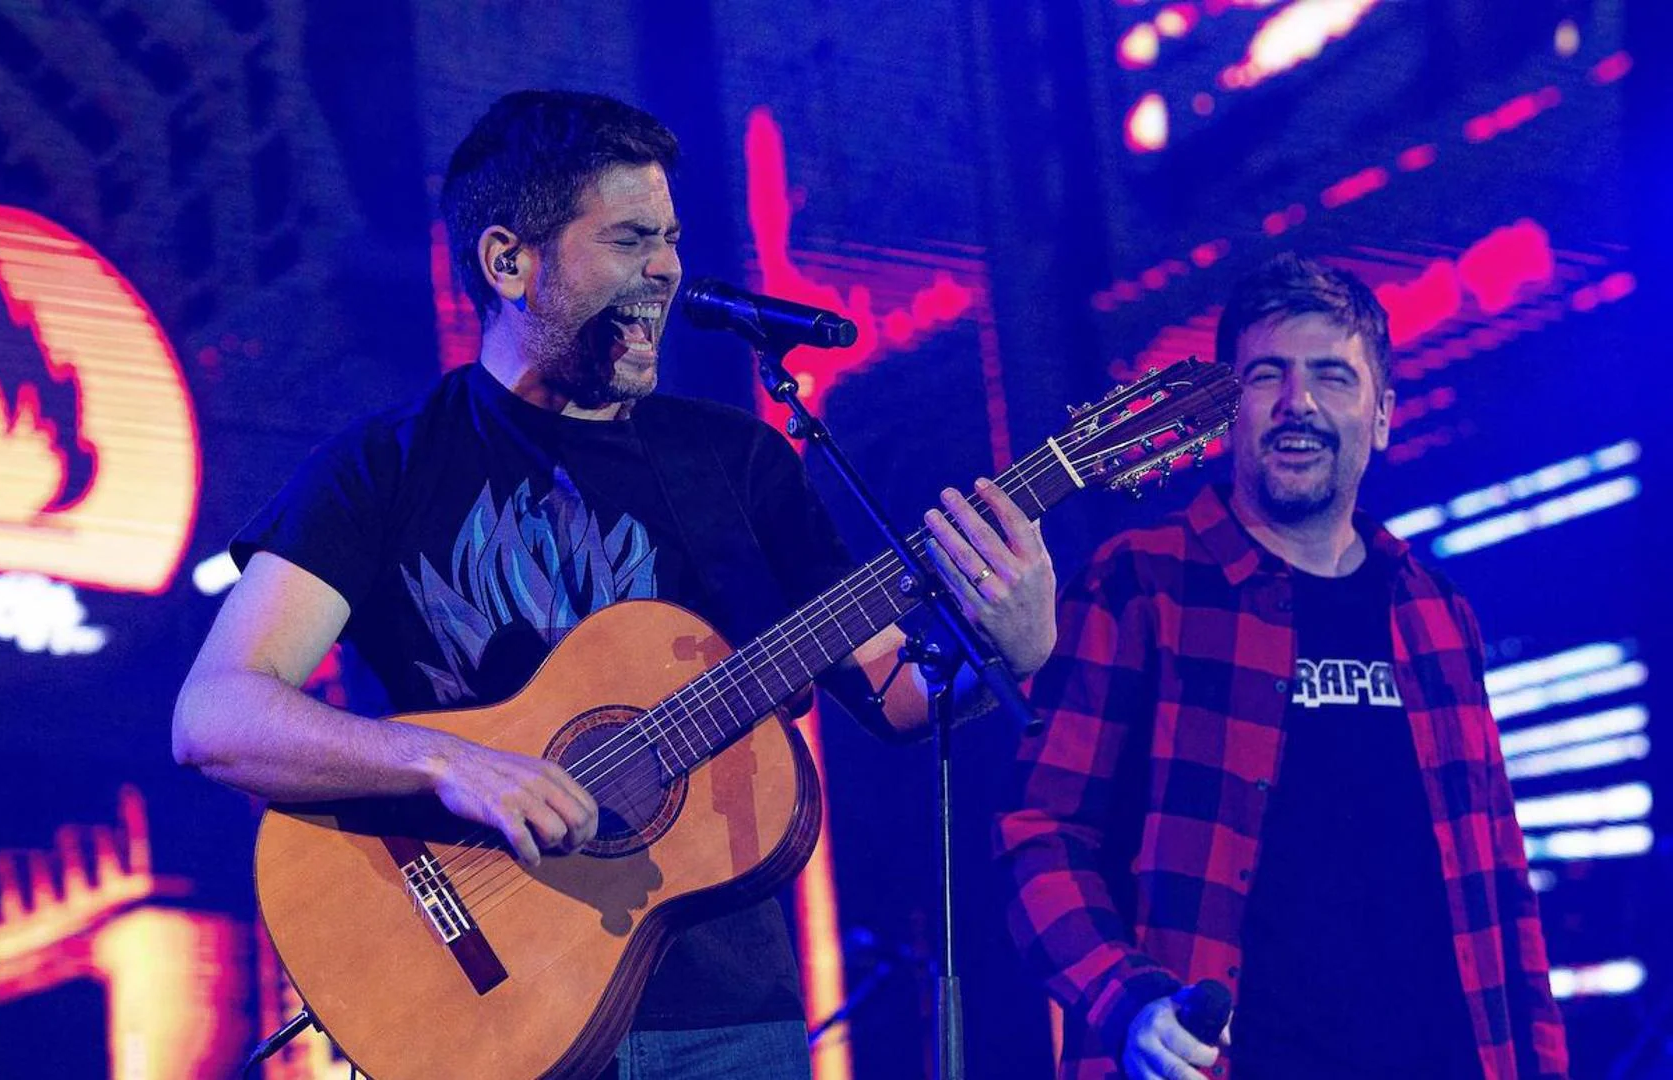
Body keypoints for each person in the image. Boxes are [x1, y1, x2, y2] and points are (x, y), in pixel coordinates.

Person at [173, 89, 1056, 1079]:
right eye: (631, 239)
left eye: (672, 239)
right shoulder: (381, 467)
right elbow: (215, 715)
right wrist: (451, 764)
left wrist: (1007, 649)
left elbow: (894, 694)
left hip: (723, 1028)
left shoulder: (738, 462)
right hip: (480, 1013)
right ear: (509, 260)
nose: (669, 270)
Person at [997, 253, 1567, 1080]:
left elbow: (1502, 887)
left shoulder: (1435, 613)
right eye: (1267, 375)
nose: (1298, 403)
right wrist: (1128, 1004)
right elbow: (1040, 835)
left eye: (1333, 376)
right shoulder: (1141, 585)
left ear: (1381, 416)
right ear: (1229, 410)